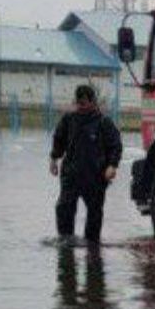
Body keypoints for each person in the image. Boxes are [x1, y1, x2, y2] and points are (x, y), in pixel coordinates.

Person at [50, 85, 123, 243]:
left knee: (95, 212)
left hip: (95, 176)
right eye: (78, 103)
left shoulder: (104, 122)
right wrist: (54, 159)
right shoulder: (68, 120)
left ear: (92, 102)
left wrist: (112, 165)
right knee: (64, 208)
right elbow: (58, 140)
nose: (80, 106)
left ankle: (92, 246)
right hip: (71, 174)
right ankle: (66, 241)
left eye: (83, 103)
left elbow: (115, 145)